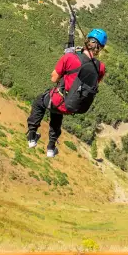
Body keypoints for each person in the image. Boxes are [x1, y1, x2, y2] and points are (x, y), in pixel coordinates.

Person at [27, 28, 107, 158]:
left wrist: (67, 61)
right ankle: (51, 147)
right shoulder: (100, 67)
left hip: (59, 101)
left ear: (87, 41)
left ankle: (31, 136)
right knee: (57, 112)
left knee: (40, 101)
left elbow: (53, 78)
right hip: (74, 105)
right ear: (100, 48)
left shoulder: (70, 57)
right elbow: (93, 81)